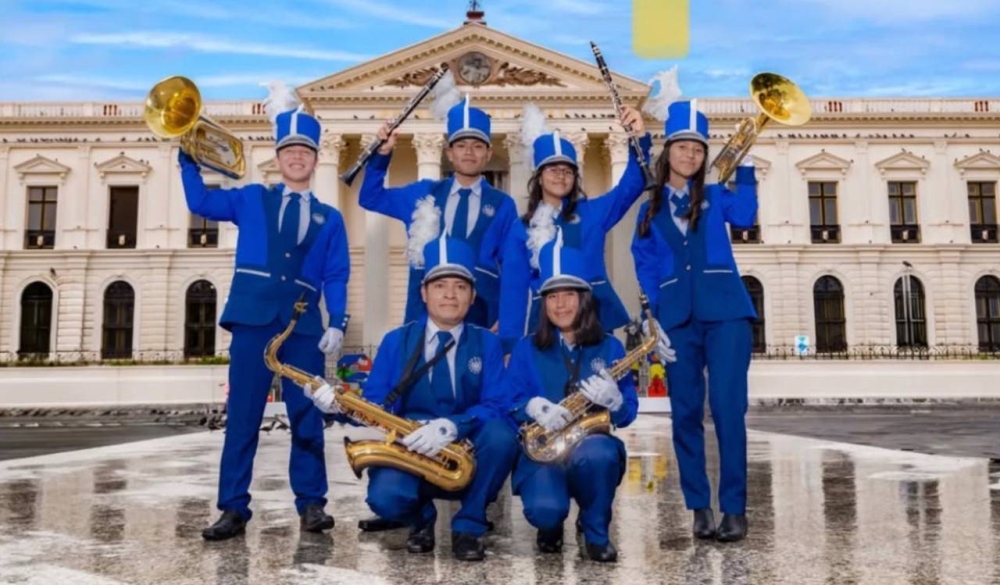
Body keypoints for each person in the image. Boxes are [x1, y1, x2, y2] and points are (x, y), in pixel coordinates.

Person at [181, 97, 350, 541]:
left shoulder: (330, 218)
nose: (297, 157)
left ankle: (312, 504)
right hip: (253, 320)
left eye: (306, 151)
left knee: (307, 418)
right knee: (242, 416)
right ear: (278, 159)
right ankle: (233, 508)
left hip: (303, 326)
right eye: (290, 151)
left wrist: (338, 322)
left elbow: (336, 273)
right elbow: (199, 200)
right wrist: (186, 158)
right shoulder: (251, 198)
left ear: (315, 160)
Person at [307, 236, 517, 561]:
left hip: (466, 449)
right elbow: (376, 406)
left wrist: (452, 426)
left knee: (502, 436)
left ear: (472, 296)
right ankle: (421, 519)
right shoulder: (396, 341)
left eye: (460, 287)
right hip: (410, 450)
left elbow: (499, 405)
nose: (450, 294)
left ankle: (470, 524)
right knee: (385, 499)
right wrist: (337, 405)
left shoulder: (487, 343)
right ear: (424, 293)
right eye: (440, 285)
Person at [631, 99, 758, 542]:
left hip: (726, 313)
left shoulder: (718, 194)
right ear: (668, 152)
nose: (690, 155)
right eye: (683, 148)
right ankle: (699, 507)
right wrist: (655, 318)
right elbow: (643, 261)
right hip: (678, 320)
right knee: (684, 414)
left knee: (727, 410)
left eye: (698, 149)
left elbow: (746, 217)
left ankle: (735, 509)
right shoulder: (649, 207)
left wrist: (745, 166)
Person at [504, 232, 638, 562]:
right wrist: (531, 407)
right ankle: (551, 522)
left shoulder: (610, 347)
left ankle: (595, 531)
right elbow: (507, 400)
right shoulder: (526, 348)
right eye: (552, 297)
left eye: (569, 295)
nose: (560, 304)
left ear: (585, 300)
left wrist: (615, 402)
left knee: (600, 455)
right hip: (541, 451)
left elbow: (627, 414)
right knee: (545, 511)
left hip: (588, 446)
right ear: (543, 303)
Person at [497, 105, 651, 354]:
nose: (561, 176)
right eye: (553, 169)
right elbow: (513, 291)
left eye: (568, 171)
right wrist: (509, 347)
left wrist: (639, 139)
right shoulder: (521, 228)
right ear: (538, 176)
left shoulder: (592, 213)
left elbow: (631, 186)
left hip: (594, 317)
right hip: (544, 323)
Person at [359, 94, 517, 329]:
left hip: (483, 315)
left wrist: (507, 316)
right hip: (424, 315)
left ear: (488, 154)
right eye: (461, 146)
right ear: (449, 153)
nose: (469, 152)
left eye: (477, 146)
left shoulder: (503, 204)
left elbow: (513, 264)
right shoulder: (424, 194)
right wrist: (382, 156)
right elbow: (371, 198)